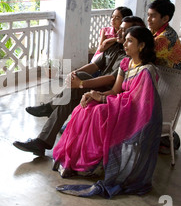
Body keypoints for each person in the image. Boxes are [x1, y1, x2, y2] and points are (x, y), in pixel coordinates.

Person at [53, 26, 162, 199]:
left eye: (129, 41)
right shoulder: (126, 63)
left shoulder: (147, 71)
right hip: (119, 105)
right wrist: (92, 95)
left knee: (98, 113)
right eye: (125, 39)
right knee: (85, 108)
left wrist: (102, 99)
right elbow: (114, 91)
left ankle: (93, 165)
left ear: (141, 45)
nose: (124, 43)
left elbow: (138, 103)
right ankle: (78, 163)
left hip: (133, 114)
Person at [13, 16, 146, 157]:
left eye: (125, 31)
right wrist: (74, 73)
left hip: (110, 93)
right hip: (98, 87)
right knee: (69, 95)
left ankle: (50, 108)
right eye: (120, 29)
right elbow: (95, 65)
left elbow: (111, 80)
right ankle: (41, 142)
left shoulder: (131, 57)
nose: (119, 32)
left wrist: (81, 82)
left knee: (78, 82)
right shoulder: (113, 47)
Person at [147, 0, 181, 88]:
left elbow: (144, 54)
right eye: (148, 15)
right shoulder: (154, 30)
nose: (148, 19)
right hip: (167, 71)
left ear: (165, 19)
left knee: (170, 101)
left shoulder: (165, 38)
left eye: (153, 16)